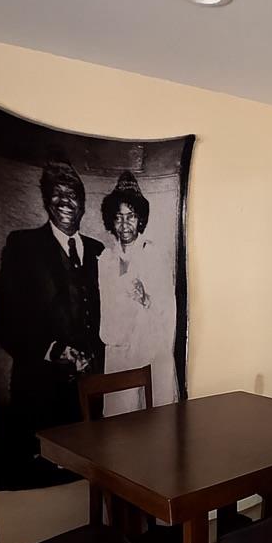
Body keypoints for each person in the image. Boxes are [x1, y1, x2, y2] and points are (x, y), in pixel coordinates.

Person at [0, 160, 104, 485]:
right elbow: (1, 318)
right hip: (39, 390)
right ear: (45, 201)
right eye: (57, 194)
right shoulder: (23, 246)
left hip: (88, 395)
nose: (65, 201)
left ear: (83, 204)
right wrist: (52, 350)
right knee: (45, 484)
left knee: (90, 477)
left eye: (72, 195)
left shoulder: (99, 251)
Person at [98, 171, 177, 412]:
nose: (124, 224)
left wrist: (146, 299)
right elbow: (104, 312)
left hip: (153, 355)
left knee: (156, 426)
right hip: (119, 357)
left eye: (130, 216)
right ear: (111, 220)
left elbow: (168, 311)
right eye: (119, 217)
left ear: (140, 219)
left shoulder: (154, 255)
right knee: (120, 431)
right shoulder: (105, 260)